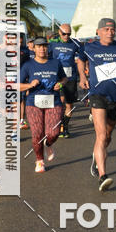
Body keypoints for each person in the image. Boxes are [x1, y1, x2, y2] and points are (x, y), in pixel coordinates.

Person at [78, 18, 116, 191]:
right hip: (97, 95)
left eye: (113, 29)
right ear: (98, 31)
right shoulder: (89, 47)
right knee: (101, 136)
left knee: (107, 137)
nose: (110, 32)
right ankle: (103, 175)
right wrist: (82, 76)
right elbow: (80, 60)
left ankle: (97, 156)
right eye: (107, 29)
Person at [19, 37, 67, 174]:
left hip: (54, 101)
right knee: (37, 134)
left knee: (54, 133)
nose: (42, 49)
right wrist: (29, 85)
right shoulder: (28, 65)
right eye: (39, 46)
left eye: (44, 46)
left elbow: (64, 78)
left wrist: (61, 84)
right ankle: (39, 160)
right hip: (33, 102)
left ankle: (48, 144)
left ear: (48, 48)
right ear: (33, 48)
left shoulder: (55, 63)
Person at [49, 23, 84, 138]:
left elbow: (84, 54)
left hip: (71, 78)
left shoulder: (74, 43)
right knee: (60, 101)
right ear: (59, 32)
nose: (66, 36)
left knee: (69, 105)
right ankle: (57, 125)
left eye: (68, 34)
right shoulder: (53, 43)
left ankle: (65, 127)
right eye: (64, 34)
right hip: (58, 77)